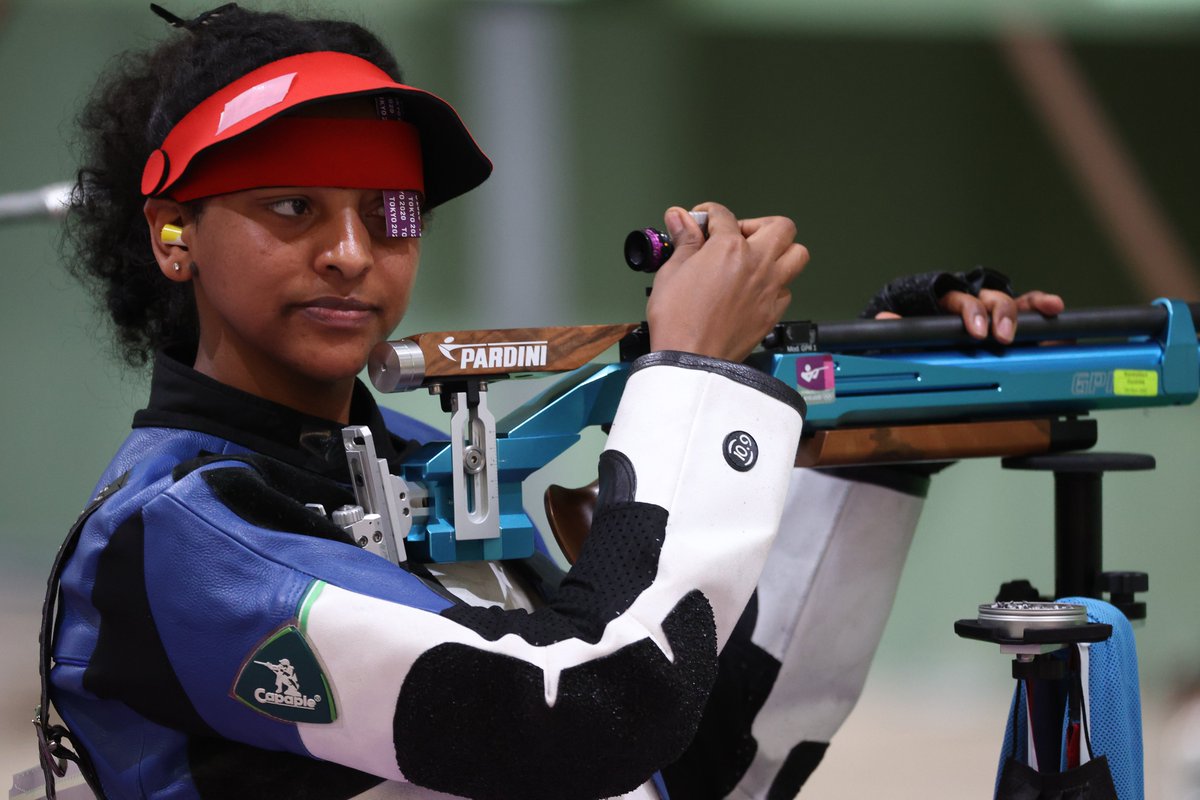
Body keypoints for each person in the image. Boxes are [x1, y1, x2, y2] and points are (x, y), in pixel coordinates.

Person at [43, 4, 1062, 800]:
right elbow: (588, 710)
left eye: (391, 212)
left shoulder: (413, 467)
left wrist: (882, 433)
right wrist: (691, 377)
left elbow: (696, 761)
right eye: (293, 206)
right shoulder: (178, 535)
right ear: (175, 235)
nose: (353, 253)